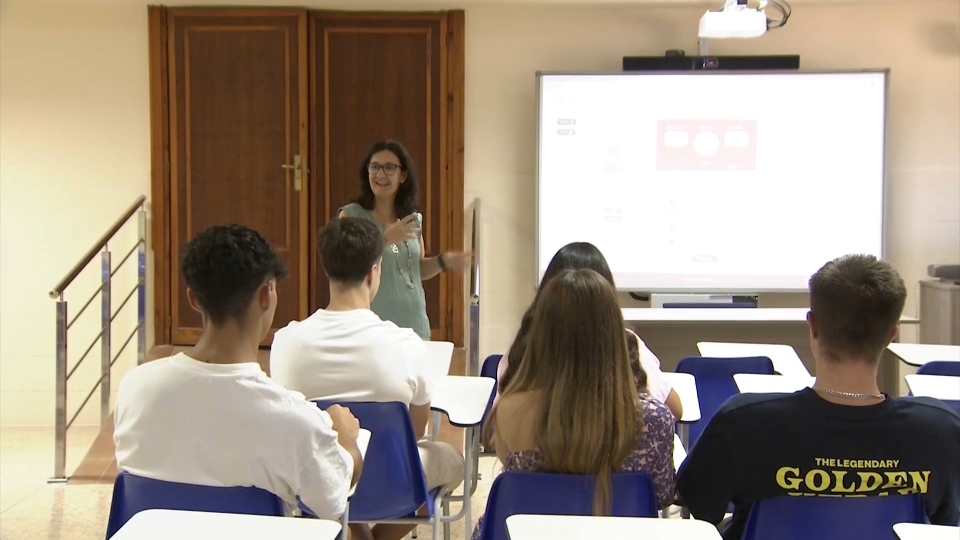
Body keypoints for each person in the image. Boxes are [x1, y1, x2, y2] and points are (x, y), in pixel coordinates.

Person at [676, 254, 960, 539]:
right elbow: (945, 527)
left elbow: (700, 511)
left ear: (812, 325)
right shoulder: (940, 430)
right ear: (891, 336)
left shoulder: (743, 421)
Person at [114, 224, 363, 520]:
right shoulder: (294, 419)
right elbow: (332, 501)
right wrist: (347, 441)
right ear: (266, 294)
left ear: (193, 298)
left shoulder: (135, 388)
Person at [270, 217, 464, 540]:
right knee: (453, 461)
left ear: (327, 270)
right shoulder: (406, 345)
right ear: (375, 271)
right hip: (394, 479)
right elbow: (415, 431)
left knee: (343, 477)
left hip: (316, 476)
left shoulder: (286, 342)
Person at [472, 268, 677, 539]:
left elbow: (517, 482)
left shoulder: (510, 408)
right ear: (616, 332)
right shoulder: (654, 418)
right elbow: (660, 496)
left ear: (542, 333)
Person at [496, 242, 683, 419]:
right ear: (606, 293)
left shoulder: (523, 347)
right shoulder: (625, 343)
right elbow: (675, 409)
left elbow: (499, 429)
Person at [338, 139, 469, 340]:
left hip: (414, 324)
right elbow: (346, 265)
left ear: (403, 175)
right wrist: (384, 239)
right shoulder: (351, 215)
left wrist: (444, 261)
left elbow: (415, 269)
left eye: (389, 168)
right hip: (373, 326)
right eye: (374, 167)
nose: (380, 174)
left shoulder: (412, 218)